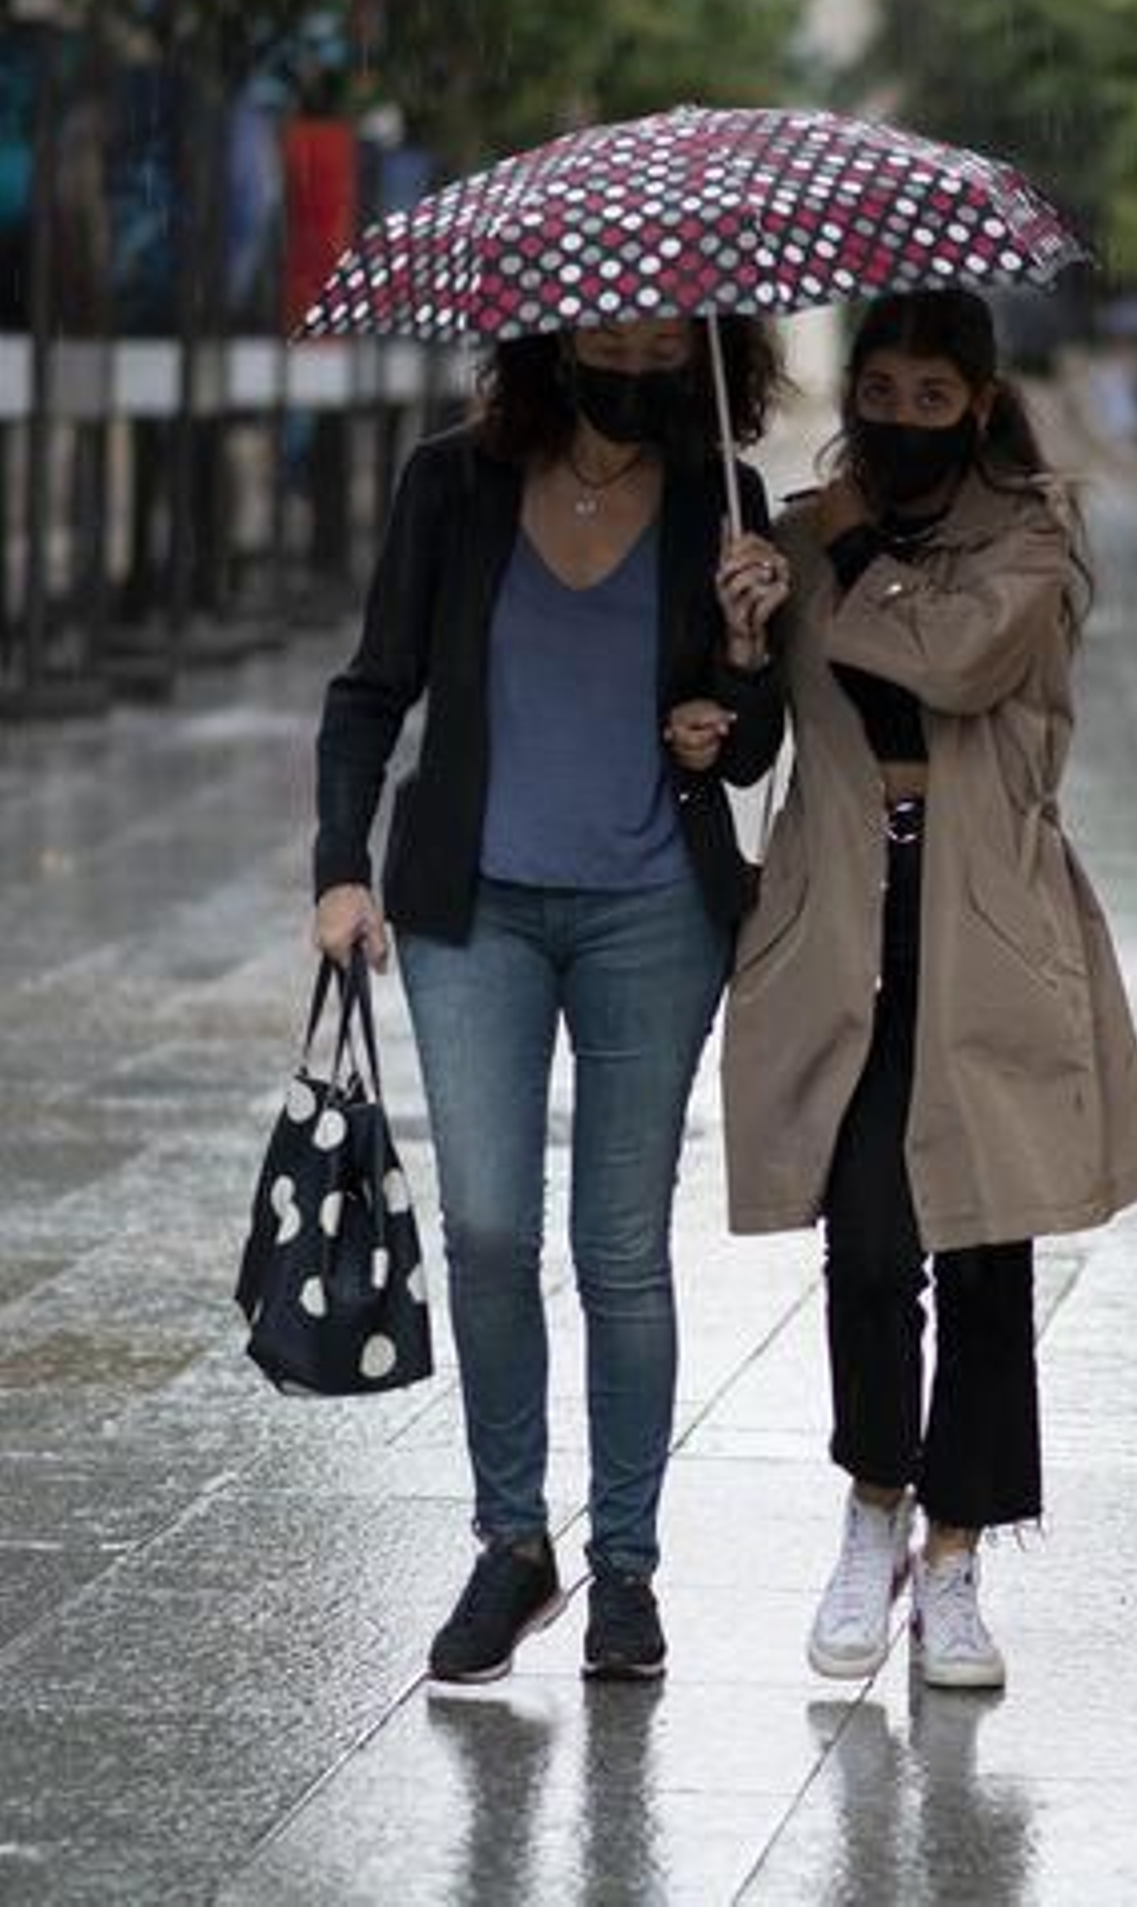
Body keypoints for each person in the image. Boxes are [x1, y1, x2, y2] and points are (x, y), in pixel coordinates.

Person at [311, 315, 789, 1685]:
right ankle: (512, 1541)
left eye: (662, 334)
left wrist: (741, 662)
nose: (633, 354)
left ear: (704, 339)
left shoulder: (723, 496)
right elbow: (371, 688)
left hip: (656, 911)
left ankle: (625, 1569)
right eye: (608, 331)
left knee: (621, 1250)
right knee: (488, 1229)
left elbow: (748, 743)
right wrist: (341, 868)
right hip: (474, 909)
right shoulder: (451, 482)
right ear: (554, 329)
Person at [720, 286, 1137, 1691]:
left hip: (989, 925)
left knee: (983, 1251)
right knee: (868, 1246)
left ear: (978, 404)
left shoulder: (1032, 535)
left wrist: (852, 547)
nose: (900, 418)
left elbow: (953, 662)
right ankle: (874, 1510)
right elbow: (751, 742)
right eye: (881, 392)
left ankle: (958, 1558)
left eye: (931, 397)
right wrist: (740, 644)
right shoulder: (796, 537)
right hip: (844, 926)